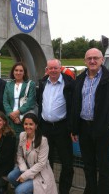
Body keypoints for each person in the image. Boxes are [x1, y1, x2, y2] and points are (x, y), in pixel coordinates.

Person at [71, 48, 109, 194]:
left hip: (101, 129)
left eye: (96, 58)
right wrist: (74, 128)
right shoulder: (80, 79)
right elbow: (75, 104)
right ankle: (90, 191)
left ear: (102, 60)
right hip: (84, 128)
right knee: (88, 164)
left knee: (104, 166)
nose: (92, 61)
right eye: (89, 58)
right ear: (85, 61)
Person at [38, 59, 74, 194]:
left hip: (62, 128)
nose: (53, 71)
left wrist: (72, 128)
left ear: (60, 68)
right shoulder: (43, 83)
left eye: (55, 68)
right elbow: (40, 102)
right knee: (46, 161)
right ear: (47, 69)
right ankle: (49, 189)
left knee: (67, 163)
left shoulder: (69, 83)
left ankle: (64, 191)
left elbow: (73, 106)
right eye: (50, 68)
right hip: (45, 128)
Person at [7, 113, 57, 194]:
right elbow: (19, 156)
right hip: (26, 168)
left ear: (36, 126)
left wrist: (25, 175)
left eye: (31, 124)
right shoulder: (22, 135)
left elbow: (41, 164)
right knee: (11, 176)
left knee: (19, 191)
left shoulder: (43, 140)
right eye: (26, 124)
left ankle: (25, 189)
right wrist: (24, 171)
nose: (28, 127)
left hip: (39, 173)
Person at [3, 62, 36, 139]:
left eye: (21, 71)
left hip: (24, 119)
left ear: (24, 73)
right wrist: (12, 115)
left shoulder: (30, 84)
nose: (18, 72)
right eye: (16, 70)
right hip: (10, 119)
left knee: (23, 143)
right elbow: (5, 101)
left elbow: (30, 102)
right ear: (13, 72)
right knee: (10, 143)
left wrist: (17, 113)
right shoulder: (8, 84)